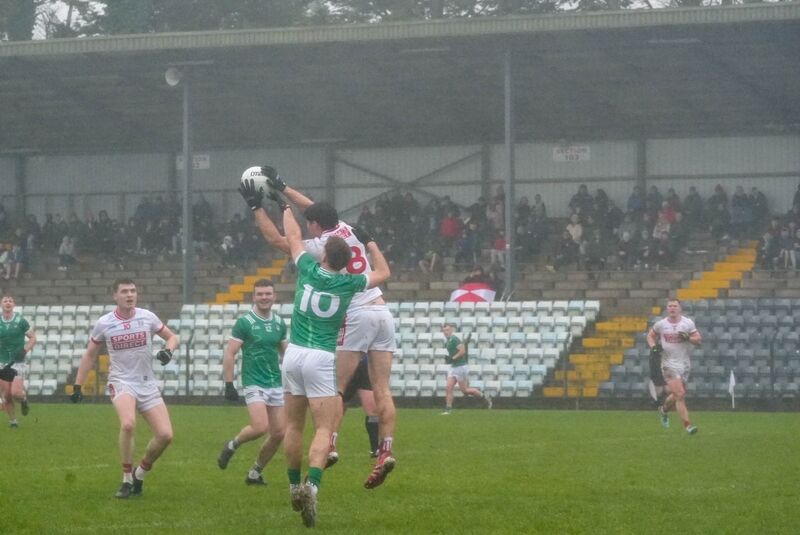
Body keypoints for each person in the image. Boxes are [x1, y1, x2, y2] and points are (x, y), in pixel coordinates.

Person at [239, 179, 390, 527]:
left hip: (293, 354)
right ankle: (313, 488)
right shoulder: (350, 283)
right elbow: (383, 273)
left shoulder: (306, 269)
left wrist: (281, 207)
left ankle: (293, 487)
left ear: (323, 255)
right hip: (322, 358)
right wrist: (370, 244)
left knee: (293, 426)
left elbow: (290, 237)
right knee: (323, 429)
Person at [71, 278, 178, 498]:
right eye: (124, 291)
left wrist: (169, 350)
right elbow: (90, 354)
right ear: (115, 296)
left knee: (166, 435)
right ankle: (127, 478)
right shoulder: (105, 323)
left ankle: (140, 472)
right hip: (121, 382)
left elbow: (172, 337)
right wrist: (77, 385)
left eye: (133, 291)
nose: (129, 295)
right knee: (128, 424)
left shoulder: (147, 317)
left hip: (147, 382)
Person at [217, 278, 289, 486]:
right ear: (254, 297)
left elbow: (286, 353)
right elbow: (230, 352)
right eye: (260, 294)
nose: (264, 297)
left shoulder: (278, 323)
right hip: (254, 381)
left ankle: (255, 473)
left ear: (274, 296)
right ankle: (232, 444)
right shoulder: (245, 322)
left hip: (275, 382)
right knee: (259, 427)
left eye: (268, 294)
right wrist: (229, 384)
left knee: (278, 433)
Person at [646, 298, 702, 435]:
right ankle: (688, 426)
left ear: (679, 308)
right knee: (680, 394)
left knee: (677, 394)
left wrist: (688, 337)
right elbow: (650, 336)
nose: (672, 308)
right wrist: (653, 347)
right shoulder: (661, 324)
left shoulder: (687, 323)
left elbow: (698, 340)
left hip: (684, 363)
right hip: (668, 364)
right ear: (667, 308)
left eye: (674, 306)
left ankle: (664, 410)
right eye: (670, 306)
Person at [0, 295, 37, 427]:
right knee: (7, 394)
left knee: (15, 392)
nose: (8, 303)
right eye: (5, 301)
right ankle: (13, 421)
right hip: (2, 361)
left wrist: (25, 350)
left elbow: (33, 338)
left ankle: (24, 399)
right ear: (1, 304)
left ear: (14, 304)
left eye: (10, 301)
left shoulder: (21, 321)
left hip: (17, 361)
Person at [440, 324, 491, 414]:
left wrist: (453, 358)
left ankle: (484, 398)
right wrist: (450, 359)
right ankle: (448, 408)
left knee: (465, 390)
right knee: (448, 387)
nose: (446, 332)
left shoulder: (454, 339)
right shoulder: (447, 342)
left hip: (460, 367)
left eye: (447, 330)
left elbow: (462, 351)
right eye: (444, 330)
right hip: (453, 367)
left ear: (451, 331)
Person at [336, 354, 380, 458]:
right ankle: (329, 446)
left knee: (373, 410)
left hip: (364, 364)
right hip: (346, 361)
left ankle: (375, 448)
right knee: (337, 411)